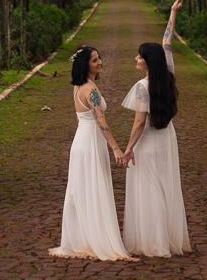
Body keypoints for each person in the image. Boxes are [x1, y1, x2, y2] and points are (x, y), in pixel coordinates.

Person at [49, 45, 135, 261]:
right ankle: (98, 242)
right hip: (90, 143)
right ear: (85, 64)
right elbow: (100, 121)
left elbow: (80, 118)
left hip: (80, 140)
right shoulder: (92, 90)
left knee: (83, 190)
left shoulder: (79, 87)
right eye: (94, 60)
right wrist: (115, 148)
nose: (100, 62)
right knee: (94, 188)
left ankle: (84, 239)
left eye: (99, 58)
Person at [121, 0, 191, 257]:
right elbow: (167, 44)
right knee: (164, 186)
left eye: (140, 56)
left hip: (148, 142)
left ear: (148, 62)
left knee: (149, 190)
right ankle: (166, 238)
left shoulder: (143, 87)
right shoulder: (168, 76)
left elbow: (139, 122)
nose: (137, 58)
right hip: (167, 138)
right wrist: (172, 13)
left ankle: (155, 242)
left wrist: (128, 149)